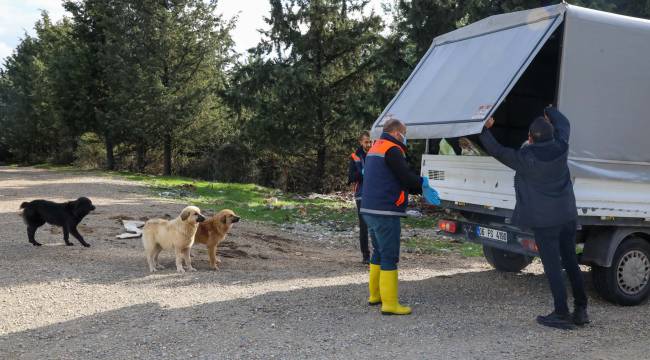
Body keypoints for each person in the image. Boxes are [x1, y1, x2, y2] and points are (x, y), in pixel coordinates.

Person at [479, 107, 589, 330]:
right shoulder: (561, 146)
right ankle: (581, 310)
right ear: (552, 134)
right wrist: (549, 110)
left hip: (545, 222)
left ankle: (561, 313)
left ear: (529, 138)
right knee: (570, 261)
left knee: (552, 267)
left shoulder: (525, 158)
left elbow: (496, 150)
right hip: (567, 216)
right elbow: (565, 123)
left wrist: (483, 129)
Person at [360, 118, 439, 315]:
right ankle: (390, 304)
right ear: (396, 133)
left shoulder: (375, 147)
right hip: (385, 211)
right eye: (404, 133)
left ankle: (375, 296)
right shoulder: (392, 150)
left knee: (378, 252)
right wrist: (423, 183)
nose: (406, 138)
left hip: (368, 209)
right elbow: (404, 176)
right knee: (389, 255)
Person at [347, 131, 372, 264]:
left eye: (370, 141)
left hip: (375, 195)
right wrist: (362, 173)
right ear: (360, 142)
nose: (369, 144)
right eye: (366, 141)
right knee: (364, 226)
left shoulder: (377, 153)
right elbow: (350, 178)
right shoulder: (355, 156)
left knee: (376, 225)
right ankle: (366, 255)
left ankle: (378, 254)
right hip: (361, 195)